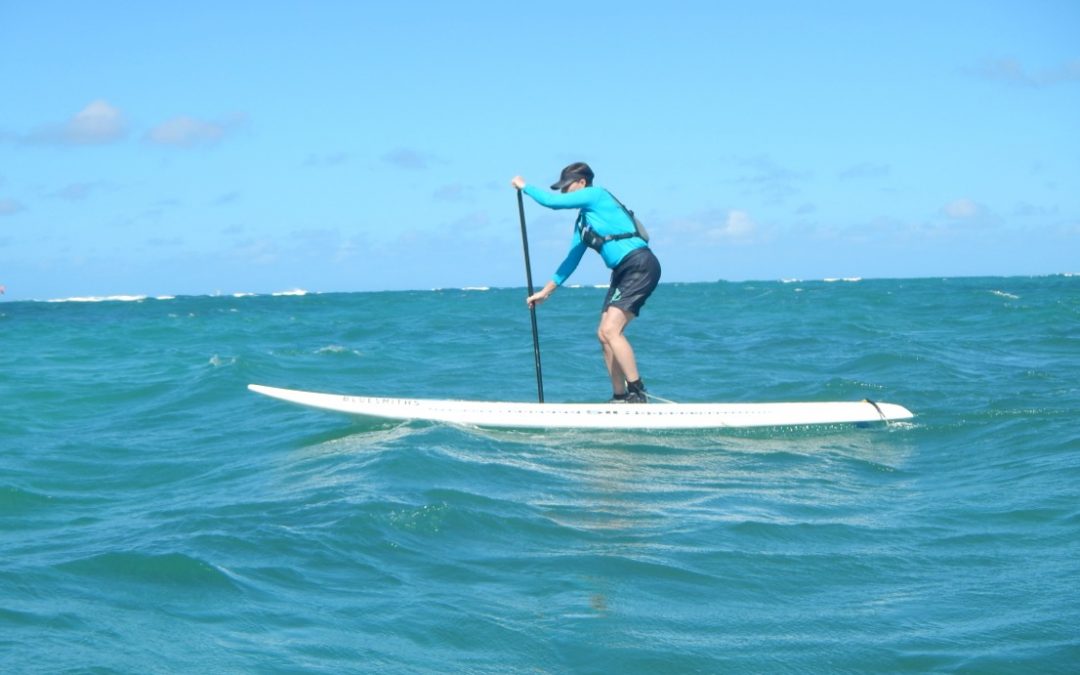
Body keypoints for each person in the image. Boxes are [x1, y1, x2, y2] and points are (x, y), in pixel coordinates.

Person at [511, 162, 661, 403]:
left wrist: (524, 186)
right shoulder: (583, 223)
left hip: (639, 264)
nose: (564, 192)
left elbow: (551, 203)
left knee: (611, 330)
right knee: (603, 334)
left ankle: (638, 392)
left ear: (581, 183)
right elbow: (571, 260)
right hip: (622, 271)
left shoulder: (596, 195)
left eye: (566, 187)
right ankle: (619, 396)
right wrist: (546, 292)